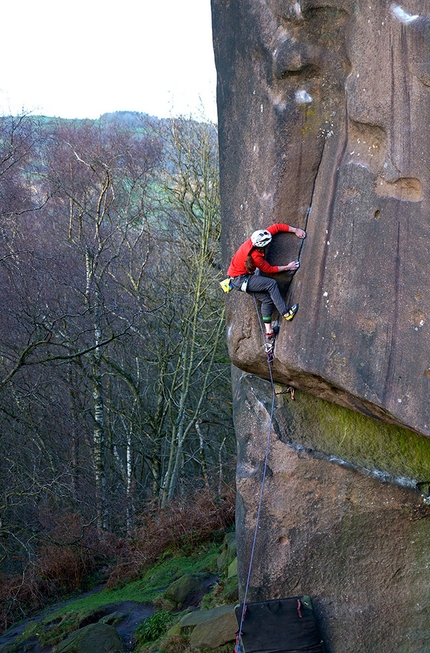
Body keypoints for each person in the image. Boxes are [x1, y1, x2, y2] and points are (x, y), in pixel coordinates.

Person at [227, 223, 306, 343]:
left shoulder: (259, 236)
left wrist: (295, 230)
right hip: (240, 280)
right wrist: (287, 267)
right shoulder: (255, 256)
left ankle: (269, 332)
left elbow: (276, 227)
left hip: (238, 278)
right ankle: (285, 313)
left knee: (267, 299)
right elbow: (269, 269)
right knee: (271, 284)